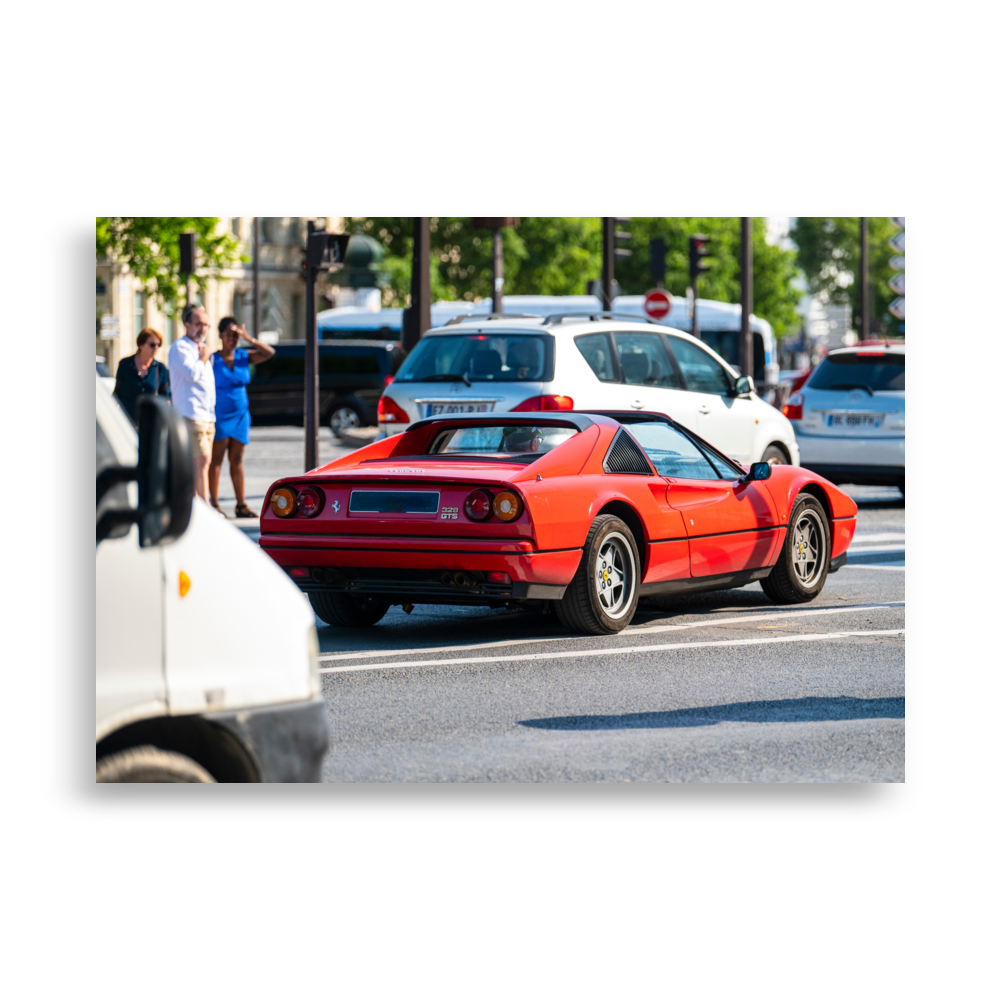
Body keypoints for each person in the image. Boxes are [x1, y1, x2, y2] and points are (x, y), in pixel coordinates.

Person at [209, 317, 275, 518]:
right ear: (220, 334)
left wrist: (249, 338)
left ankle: (241, 505)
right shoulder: (212, 359)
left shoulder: (243, 355)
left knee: (237, 459)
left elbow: (269, 352)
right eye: (229, 334)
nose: (232, 338)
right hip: (219, 415)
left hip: (240, 416)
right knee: (217, 459)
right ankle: (214, 504)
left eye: (236, 335)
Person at [168, 304, 215, 504]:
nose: (202, 329)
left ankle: (198, 504)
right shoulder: (181, 347)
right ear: (187, 325)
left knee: (204, 463)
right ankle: (203, 506)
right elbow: (191, 374)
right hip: (191, 414)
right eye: (198, 324)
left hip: (207, 416)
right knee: (200, 462)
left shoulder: (200, 348)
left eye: (206, 325)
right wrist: (203, 358)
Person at [114, 329, 170, 422]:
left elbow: (164, 397)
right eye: (152, 345)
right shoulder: (125, 364)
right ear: (141, 345)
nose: (156, 348)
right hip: (127, 419)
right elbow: (117, 393)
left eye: (158, 345)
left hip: (150, 421)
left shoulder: (160, 368)